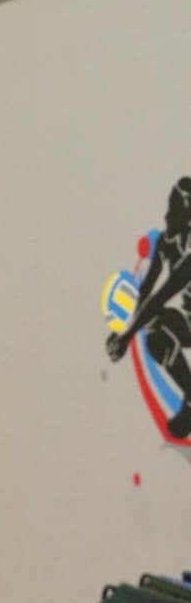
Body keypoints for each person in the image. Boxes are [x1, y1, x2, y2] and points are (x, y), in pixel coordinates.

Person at [107, 176, 191, 439]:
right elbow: (147, 291)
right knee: (154, 330)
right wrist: (123, 329)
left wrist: (126, 336)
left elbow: (163, 295)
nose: (166, 216)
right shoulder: (167, 242)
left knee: (154, 320)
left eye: (174, 210)